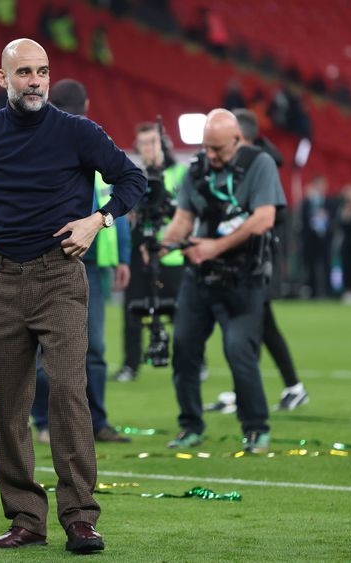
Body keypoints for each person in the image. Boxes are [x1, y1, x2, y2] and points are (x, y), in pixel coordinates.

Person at [0, 38, 146, 553]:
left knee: (70, 396)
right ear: (2, 78)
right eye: (24, 72)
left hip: (60, 277)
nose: (34, 80)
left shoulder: (77, 131)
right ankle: (26, 519)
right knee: (6, 404)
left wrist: (98, 220)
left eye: (42, 72)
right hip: (4, 279)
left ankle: (80, 518)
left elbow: (132, 179)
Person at [158, 108, 285, 453]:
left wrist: (216, 247)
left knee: (238, 351)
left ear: (237, 140)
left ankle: (256, 428)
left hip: (244, 277)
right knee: (183, 348)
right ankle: (190, 426)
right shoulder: (197, 169)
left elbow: (264, 217)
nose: (211, 156)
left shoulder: (260, 164)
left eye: (219, 150)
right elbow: (184, 218)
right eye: (207, 148)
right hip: (200, 277)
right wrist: (164, 243)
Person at [29, 78, 132, 444]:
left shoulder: (86, 143)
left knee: (50, 345)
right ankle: (90, 421)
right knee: (91, 347)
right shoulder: (78, 142)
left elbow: (115, 199)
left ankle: (51, 421)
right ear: (86, 104)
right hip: (69, 260)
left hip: (81, 260)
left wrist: (121, 255)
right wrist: (123, 256)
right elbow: (117, 198)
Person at [235, 108, 308, 411]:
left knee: (256, 325)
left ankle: (284, 387)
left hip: (259, 261)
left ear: (244, 138)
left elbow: (274, 216)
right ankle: (288, 386)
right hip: (250, 260)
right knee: (259, 326)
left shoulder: (261, 169)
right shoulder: (255, 166)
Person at [114, 122, 188, 382]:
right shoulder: (135, 175)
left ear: (164, 144)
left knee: (183, 311)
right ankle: (130, 364)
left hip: (173, 252)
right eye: (143, 143)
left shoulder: (180, 173)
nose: (148, 148)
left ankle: (191, 361)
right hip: (141, 249)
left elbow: (188, 213)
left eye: (153, 142)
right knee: (133, 308)